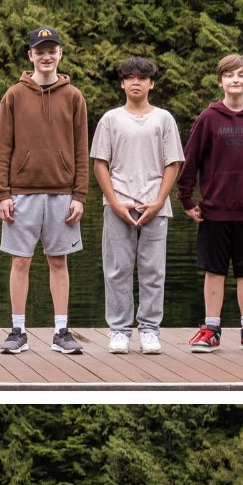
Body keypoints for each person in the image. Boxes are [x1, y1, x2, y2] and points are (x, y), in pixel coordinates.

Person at [0, 27, 89, 356]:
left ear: (60, 54)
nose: (46, 56)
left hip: (63, 194)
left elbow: (81, 150)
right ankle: (18, 330)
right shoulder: (13, 96)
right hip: (21, 193)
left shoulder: (74, 96)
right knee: (20, 262)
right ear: (30, 55)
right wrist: (2, 193)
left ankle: (61, 330)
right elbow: (3, 148)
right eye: (40, 50)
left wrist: (80, 195)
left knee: (59, 262)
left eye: (52, 50)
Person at [177, 54, 243, 354]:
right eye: (229, 75)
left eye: (241, 75)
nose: (235, 80)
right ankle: (211, 329)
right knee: (215, 270)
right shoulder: (208, 118)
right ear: (220, 80)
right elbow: (190, 161)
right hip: (214, 210)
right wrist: (186, 198)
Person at [89, 57, 183, 356]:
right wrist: (114, 202)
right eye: (130, 77)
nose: (136, 82)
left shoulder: (163, 119)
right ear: (122, 83)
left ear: (151, 83)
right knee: (117, 270)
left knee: (153, 271)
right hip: (119, 203)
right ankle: (118, 330)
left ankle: (150, 330)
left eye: (142, 78)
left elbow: (173, 163)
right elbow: (100, 164)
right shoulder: (110, 119)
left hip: (155, 205)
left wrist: (158, 201)